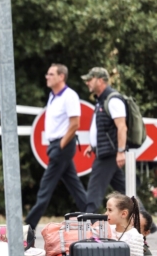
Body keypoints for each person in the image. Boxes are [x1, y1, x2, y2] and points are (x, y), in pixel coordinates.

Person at [25, 64, 87, 229]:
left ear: (61, 77)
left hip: (63, 145)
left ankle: (29, 226)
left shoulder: (69, 96)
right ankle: (94, 218)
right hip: (56, 144)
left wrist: (60, 145)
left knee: (45, 187)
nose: (47, 76)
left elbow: (75, 124)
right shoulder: (53, 96)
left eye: (51, 74)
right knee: (75, 187)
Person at [82, 67, 128, 212]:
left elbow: (122, 127)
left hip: (110, 152)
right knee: (125, 191)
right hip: (105, 150)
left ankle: (88, 220)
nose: (87, 83)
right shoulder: (101, 100)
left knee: (94, 189)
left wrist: (121, 151)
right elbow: (103, 127)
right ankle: (147, 223)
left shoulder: (113, 100)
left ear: (100, 80)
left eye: (90, 79)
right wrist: (93, 145)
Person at [105, 192, 144, 256]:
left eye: (110, 210)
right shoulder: (107, 229)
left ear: (123, 214)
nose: (106, 213)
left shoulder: (134, 237)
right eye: (106, 209)